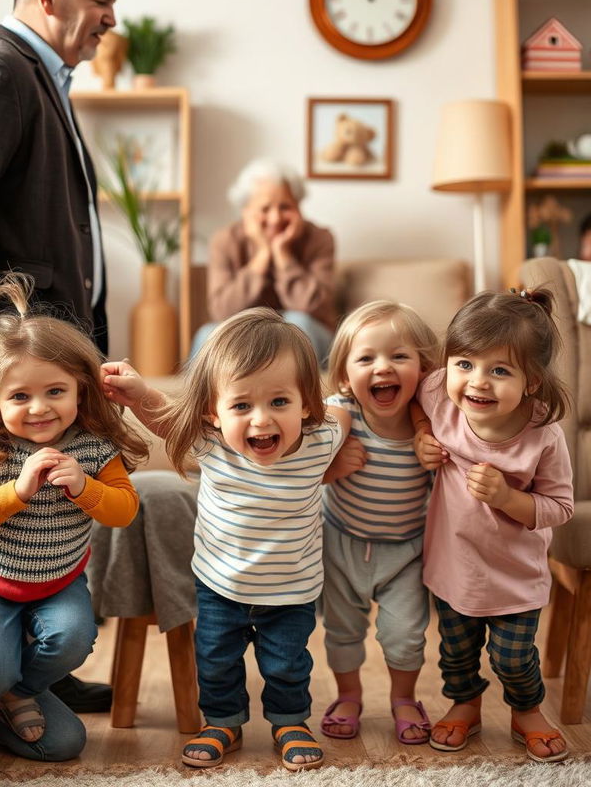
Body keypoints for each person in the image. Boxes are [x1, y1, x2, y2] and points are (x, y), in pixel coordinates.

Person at [0, 0, 126, 719]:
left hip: (47, 352)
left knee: (53, 501)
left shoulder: (39, 75)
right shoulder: (2, 70)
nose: (111, 20)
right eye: (101, 1)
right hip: (5, 353)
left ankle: (34, 674)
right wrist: (0, 329)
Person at [102, 307, 352, 771]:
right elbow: (164, 418)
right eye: (241, 406)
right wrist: (138, 395)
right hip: (220, 587)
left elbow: (341, 413)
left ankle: (290, 721)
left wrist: (338, 434)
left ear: (305, 405)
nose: (262, 420)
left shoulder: (320, 440)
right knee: (215, 662)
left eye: (280, 402)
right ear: (213, 414)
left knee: (287, 665)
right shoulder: (210, 444)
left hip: (291, 592)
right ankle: (222, 721)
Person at [0, 274, 147, 762]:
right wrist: (16, 492)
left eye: (55, 391)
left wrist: (85, 487)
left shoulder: (93, 446)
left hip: (57, 580)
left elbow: (125, 510)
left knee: (73, 641)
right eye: (20, 397)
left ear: (80, 389)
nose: (40, 409)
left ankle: (16, 695)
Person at [413, 288, 573, 763]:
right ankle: (466, 704)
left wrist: (507, 497)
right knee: (456, 654)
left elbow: (559, 507)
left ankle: (527, 710)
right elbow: (418, 399)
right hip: (453, 567)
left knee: (512, 658)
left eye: (499, 370)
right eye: (464, 364)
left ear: (532, 381)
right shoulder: (440, 397)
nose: (476, 383)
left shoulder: (544, 435)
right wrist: (423, 435)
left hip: (515, 574)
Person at [319, 301, 439, 745]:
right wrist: (331, 466)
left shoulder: (432, 429)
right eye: (366, 358)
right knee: (342, 631)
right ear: (346, 376)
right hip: (340, 541)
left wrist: (434, 454)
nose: (382, 367)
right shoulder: (341, 414)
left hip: (405, 551)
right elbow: (301, 460)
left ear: (424, 370)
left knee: (406, 635)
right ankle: (348, 695)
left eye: (399, 356)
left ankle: (404, 699)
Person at [191, 159, 337, 365]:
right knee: (207, 334)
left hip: (309, 332)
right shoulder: (224, 240)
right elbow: (222, 311)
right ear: (246, 211)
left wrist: (283, 254)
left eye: (285, 206)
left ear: (298, 207)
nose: (275, 218)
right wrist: (262, 255)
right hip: (246, 331)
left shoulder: (320, 238)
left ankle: (303, 395)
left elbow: (314, 306)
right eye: (265, 208)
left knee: (297, 325)